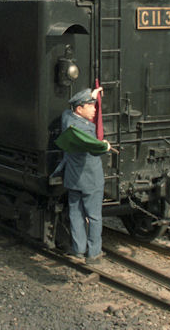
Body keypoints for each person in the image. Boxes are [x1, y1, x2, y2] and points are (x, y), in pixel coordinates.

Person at [53, 87, 109, 264]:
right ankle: (94, 253)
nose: (94, 109)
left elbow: (67, 113)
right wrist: (105, 146)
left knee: (76, 215)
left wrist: (91, 96)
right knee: (94, 216)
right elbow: (96, 148)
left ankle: (78, 250)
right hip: (91, 180)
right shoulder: (86, 130)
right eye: (91, 106)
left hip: (73, 178)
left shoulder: (67, 120)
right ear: (79, 109)